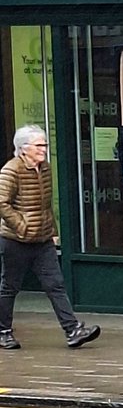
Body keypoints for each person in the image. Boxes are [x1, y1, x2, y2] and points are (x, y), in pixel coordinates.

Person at [0, 125, 100, 350]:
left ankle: (72, 330)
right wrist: (21, 226)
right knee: (10, 286)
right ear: (24, 149)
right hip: (16, 240)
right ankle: (3, 331)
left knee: (55, 284)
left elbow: (46, 206)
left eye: (45, 144)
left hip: (42, 240)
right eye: (39, 145)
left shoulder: (44, 168)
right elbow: (2, 203)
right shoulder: (11, 170)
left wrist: (53, 231)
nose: (44, 149)